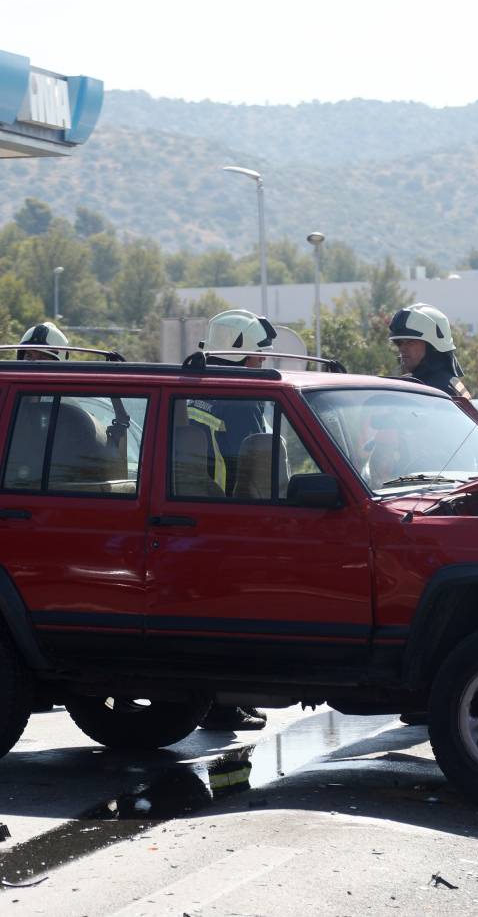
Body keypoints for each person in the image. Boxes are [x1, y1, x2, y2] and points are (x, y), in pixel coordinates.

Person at [195, 309, 279, 733]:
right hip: (227, 515)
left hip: (195, 515)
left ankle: (221, 702)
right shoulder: (239, 399)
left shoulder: (198, 389)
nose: (262, 365)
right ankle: (223, 705)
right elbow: (250, 461)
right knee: (232, 618)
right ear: (240, 355)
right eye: (257, 358)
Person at [387, 303, 468, 398]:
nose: (402, 349)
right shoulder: (448, 383)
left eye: (410, 342)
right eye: (399, 343)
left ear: (433, 347)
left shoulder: (439, 391)